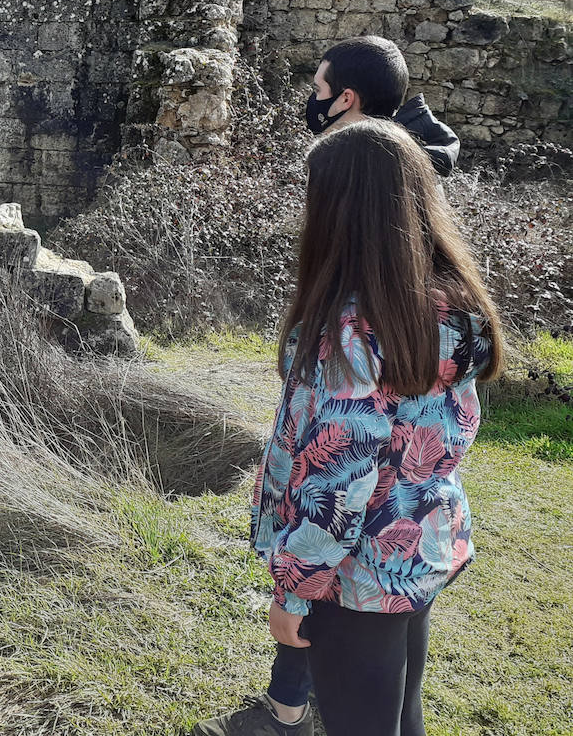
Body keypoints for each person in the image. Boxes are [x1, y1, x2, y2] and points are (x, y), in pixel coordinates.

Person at [194, 119, 505, 736]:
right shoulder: (449, 308)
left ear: (337, 213)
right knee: (395, 714)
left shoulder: (349, 335)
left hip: (352, 575)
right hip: (416, 548)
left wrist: (295, 592)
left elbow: (337, 480)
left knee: (357, 723)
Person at [304, 35, 460, 175]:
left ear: (346, 98)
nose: (314, 98)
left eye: (318, 90)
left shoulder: (363, 175)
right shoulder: (410, 161)